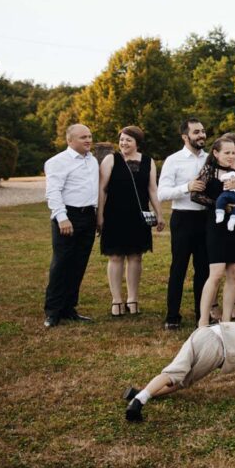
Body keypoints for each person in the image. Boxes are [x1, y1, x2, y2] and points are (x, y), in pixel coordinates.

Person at [123, 314, 235, 422]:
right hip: (215, 348)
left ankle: (140, 396)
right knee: (182, 381)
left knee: (173, 370)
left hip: (203, 332)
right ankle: (142, 398)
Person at [97, 125, 164, 317]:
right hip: (114, 214)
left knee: (136, 256)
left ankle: (133, 298)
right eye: (122, 139)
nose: (124, 143)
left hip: (138, 215)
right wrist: (100, 215)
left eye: (128, 140)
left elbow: (152, 189)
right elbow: (102, 189)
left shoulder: (148, 162)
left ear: (137, 143)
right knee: (115, 256)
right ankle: (116, 299)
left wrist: (159, 214)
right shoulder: (111, 159)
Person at [43, 124, 99, 328]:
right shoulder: (57, 162)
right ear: (70, 140)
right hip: (68, 216)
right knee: (61, 264)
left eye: (90, 136)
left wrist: (98, 217)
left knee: (79, 264)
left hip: (88, 216)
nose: (88, 140)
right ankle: (53, 311)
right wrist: (62, 217)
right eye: (83, 137)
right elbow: (53, 192)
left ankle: (69, 309)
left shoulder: (92, 160)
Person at [157, 118, 210, 330]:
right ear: (185, 137)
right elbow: (162, 193)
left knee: (204, 270)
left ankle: (201, 314)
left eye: (203, 131)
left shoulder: (210, 159)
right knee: (178, 268)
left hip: (206, 219)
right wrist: (186, 187)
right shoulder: (173, 160)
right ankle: (172, 316)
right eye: (196, 132)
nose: (202, 135)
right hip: (183, 218)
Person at [194, 137, 235, 327]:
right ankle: (203, 320)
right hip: (216, 225)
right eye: (226, 152)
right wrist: (220, 204)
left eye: (234, 152)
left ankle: (226, 321)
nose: (231, 156)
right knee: (216, 273)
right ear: (216, 153)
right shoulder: (209, 171)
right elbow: (196, 195)